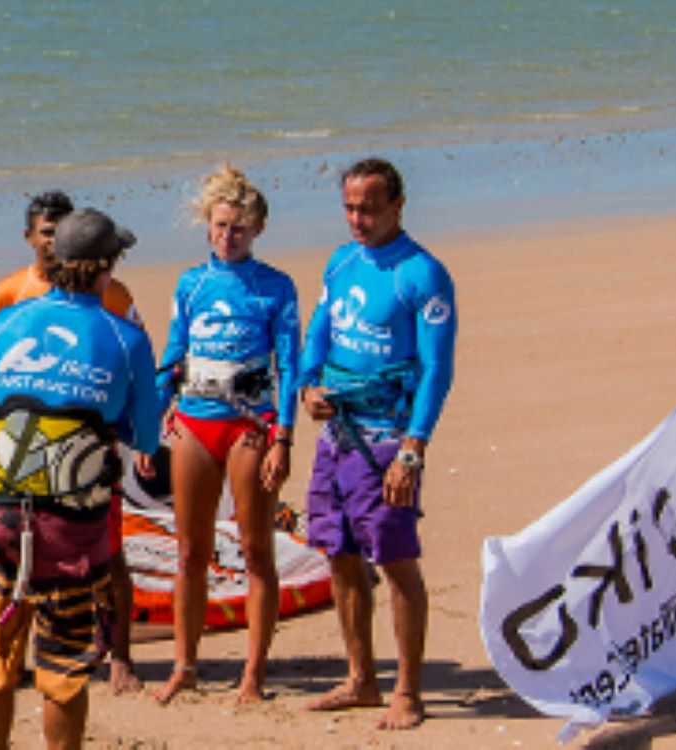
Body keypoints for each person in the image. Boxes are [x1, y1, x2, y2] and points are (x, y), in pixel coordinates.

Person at [0, 209, 161, 750]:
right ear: (107, 268)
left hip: (0, 521)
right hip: (74, 532)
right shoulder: (126, 339)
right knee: (64, 674)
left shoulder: (2, 324)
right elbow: (145, 437)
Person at [295, 158, 457, 730]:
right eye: (349, 207)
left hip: (387, 440)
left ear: (397, 206)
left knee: (396, 562)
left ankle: (407, 691)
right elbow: (316, 336)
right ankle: (361, 679)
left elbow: (437, 369)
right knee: (337, 555)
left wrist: (413, 449)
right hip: (336, 436)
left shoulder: (422, 274)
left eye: (369, 207)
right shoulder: (341, 262)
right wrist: (307, 387)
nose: (357, 219)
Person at [148, 166, 301, 706]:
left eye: (237, 228)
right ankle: (184, 666)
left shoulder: (276, 287)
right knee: (191, 551)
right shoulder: (191, 284)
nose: (227, 236)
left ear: (256, 229)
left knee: (257, 551)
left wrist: (283, 437)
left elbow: (292, 366)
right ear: (207, 226)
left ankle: (254, 673)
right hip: (193, 421)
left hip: (249, 426)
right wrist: (150, 428)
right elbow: (171, 357)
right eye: (219, 226)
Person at [0, 190, 144, 326]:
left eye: (61, 232)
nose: (56, 240)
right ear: (29, 237)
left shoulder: (112, 292)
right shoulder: (8, 293)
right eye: (47, 233)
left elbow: (134, 348)